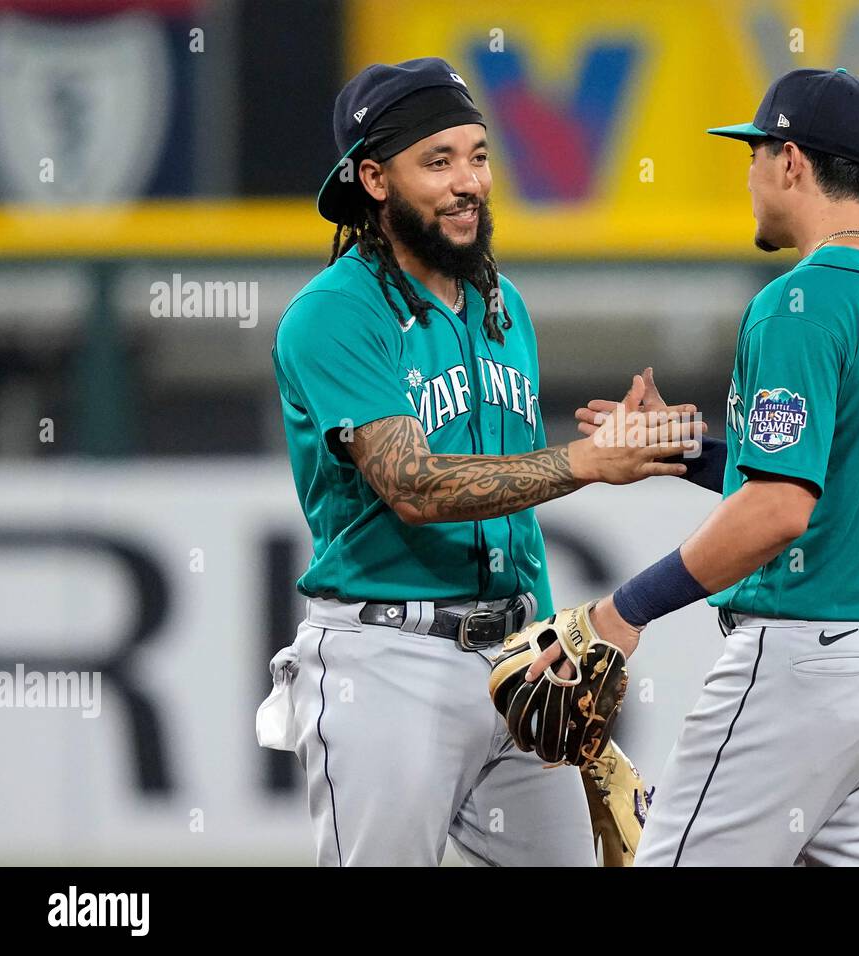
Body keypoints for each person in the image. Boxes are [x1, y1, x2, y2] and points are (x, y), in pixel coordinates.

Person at [263, 57, 699, 866]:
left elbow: (510, 509)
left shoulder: (501, 305)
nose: (470, 182)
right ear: (374, 178)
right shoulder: (334, 314)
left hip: (512, 665)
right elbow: (414, 487)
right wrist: (586, 463)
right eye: (438, 160)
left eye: (479, 155)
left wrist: (546, 635)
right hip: (386, 662)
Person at [551, 67, 859, 866]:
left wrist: (621, 613)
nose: (748, 174)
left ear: (791, 162)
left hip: (810, 664)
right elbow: (838, 475)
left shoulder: (798, 302)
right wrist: (686, 452)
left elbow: (781, 509)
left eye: (755, 152)